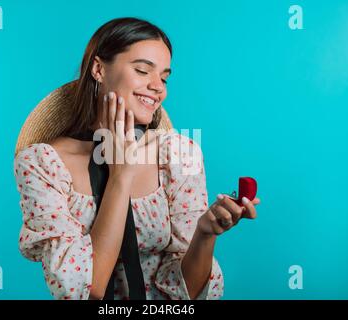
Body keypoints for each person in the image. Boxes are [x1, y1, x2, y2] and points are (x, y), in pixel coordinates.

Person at [14, 17, 260, 300]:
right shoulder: (42, 163)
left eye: (164, 77)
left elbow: (187, 297)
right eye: (143, 70)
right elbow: (84, 291)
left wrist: (205, 234)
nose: (158, 87)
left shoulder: (179, 154)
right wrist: (121, 175)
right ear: (98, 69)